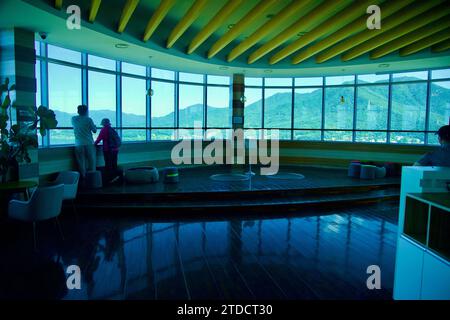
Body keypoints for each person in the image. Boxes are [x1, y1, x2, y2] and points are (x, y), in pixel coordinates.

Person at [72, 105, 97, 179]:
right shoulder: (89, 119)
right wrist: (94, 126)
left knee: (81, 162)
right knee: (92, 162)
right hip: (89, 143)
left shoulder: (74, 119)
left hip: (78, 143)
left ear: (78, 111)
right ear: (86, 111)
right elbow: (94, 130)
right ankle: (92, 179)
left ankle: (83, 178)